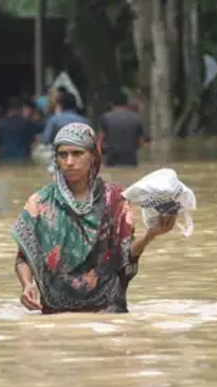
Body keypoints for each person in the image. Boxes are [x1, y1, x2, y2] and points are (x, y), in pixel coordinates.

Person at [11, 123, 175, 314]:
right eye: (63, 155)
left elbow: (124, 255)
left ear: (93, 157)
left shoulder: (114, 199)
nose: (69, 161)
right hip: (56, 312)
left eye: (77, 153)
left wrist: (150, 236)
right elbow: (23, 257)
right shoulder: (40, 203)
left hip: (106, 311)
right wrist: (27, 285)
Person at [97, 88, 148, 167]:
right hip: (131, 160)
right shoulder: (136, 118)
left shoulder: (106, 117)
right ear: (127, 103)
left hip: (112, 159)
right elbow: (141, 143)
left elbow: (99, 142)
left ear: (112, 103)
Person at [0, 96, 41, 163]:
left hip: (4, 160)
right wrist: (35, 113)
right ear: (21, 109)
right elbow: (41, 130)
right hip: (23, 160)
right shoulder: (27, 123)